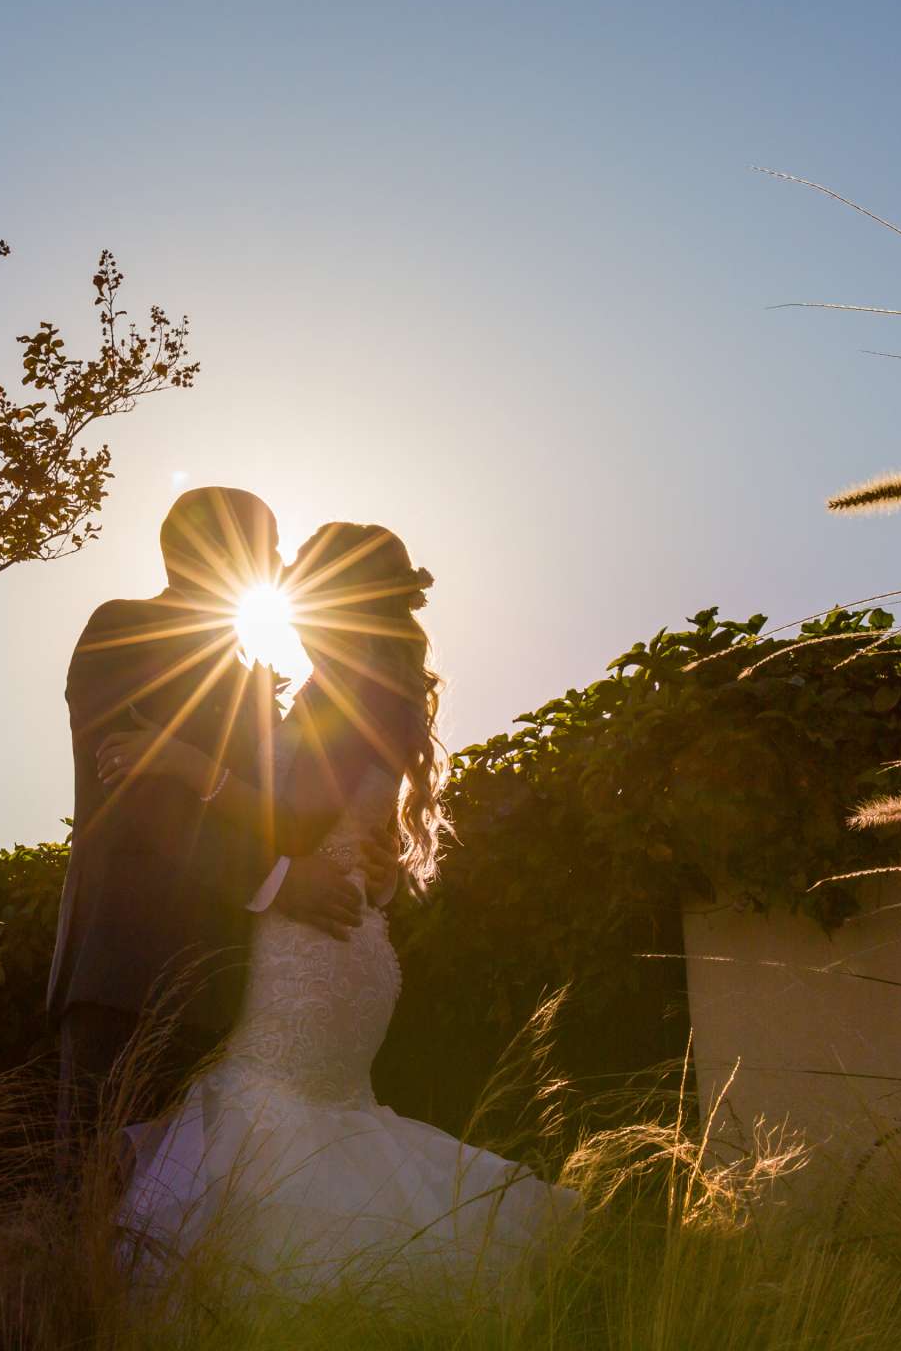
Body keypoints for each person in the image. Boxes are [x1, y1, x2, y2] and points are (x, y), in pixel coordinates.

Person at [102, 522, 573, 1302]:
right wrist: (376, 876)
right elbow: (367, 846)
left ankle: (286, 1310)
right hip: (348, 939)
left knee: (270, 1124)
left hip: (309, 955)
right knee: (315, 1128)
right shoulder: (360, 689)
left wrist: (188, 764)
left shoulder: (354, 690)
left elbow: (298, 819)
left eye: (304, 580)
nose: (288, 593)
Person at [46, 488, 393, 1144]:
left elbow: (277, 810)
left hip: (231, 986)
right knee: (102, 1200)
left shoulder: (252, 679)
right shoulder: (123, 630)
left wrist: (369, 855)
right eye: (266, 548)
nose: (276, 562)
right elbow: (136, 796)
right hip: (128, 962)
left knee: (195, 1212)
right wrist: (276, 879)